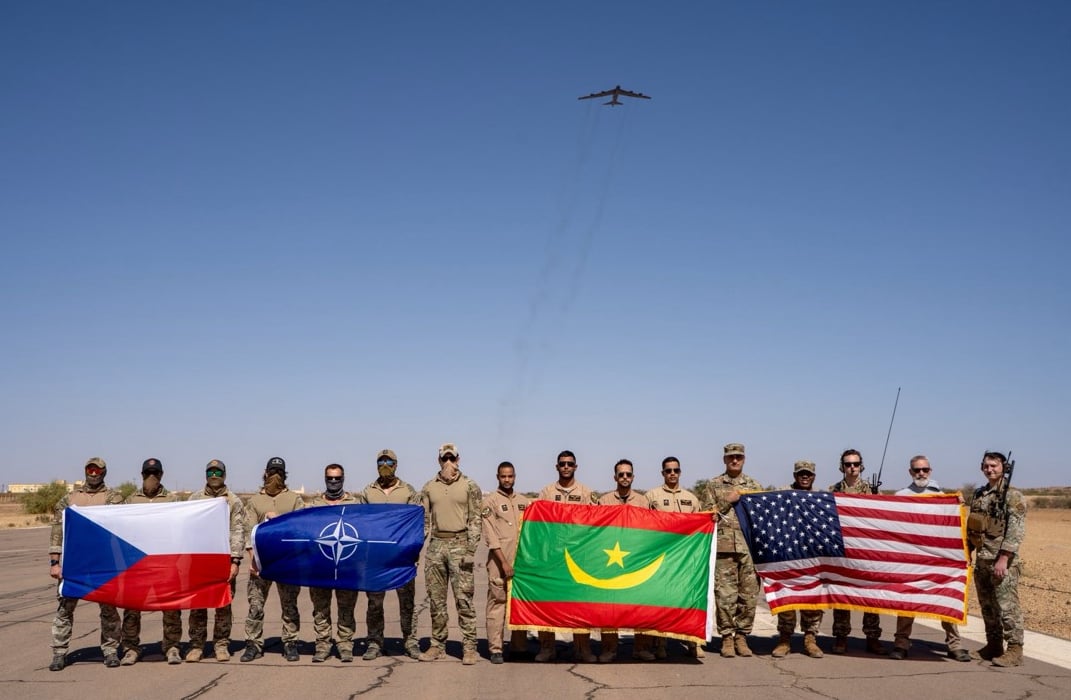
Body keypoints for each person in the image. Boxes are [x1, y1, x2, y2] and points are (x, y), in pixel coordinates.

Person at [890, 455, 971, 662]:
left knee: (944, 598)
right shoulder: (901, 496)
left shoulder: (943, 497)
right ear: (910, 472)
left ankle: (954, 644)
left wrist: (956, 506)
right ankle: (901, 643)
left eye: (925, 470)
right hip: (911, 559)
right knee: (907, 601)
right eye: (917, 470)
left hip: (937, 560)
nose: (921, 473)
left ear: (930, 471)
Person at [48, 457, 124, 671]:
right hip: (74, 565)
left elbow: (122, 531)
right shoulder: (70, 498)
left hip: (103, 564)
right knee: (64, 609)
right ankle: (59, 653)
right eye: (90, 470)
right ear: (85, 472)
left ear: (104, 472)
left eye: (97, 470)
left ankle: (110, 651)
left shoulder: (114, 498)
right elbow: (57, 531)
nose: (93, 474)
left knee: (108, 609)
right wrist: (55, 562)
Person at [418, 443, 483, 665]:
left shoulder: (470, 485)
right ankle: (437, 644)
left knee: (464, 599)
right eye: (444, 459)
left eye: (451, 459)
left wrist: (471, 549)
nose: (448, 463)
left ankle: (469, 647)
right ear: (438, 461)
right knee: (436, 600)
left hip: (460, 543)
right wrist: (416, 548)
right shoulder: (428, 487)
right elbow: (424, 522)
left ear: (458, 459)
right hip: (436, 545)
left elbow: (475, 519)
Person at [356, 449, 422, 660]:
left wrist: (414, 549)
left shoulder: (408, 491)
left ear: (396, 464)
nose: (385, 465)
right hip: (375, 559)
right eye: (381, 461)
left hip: (401, 557)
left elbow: (419, 522)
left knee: (407, 602)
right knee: (374, 602)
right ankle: (374, 642)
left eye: (389, 461)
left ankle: (410, 641)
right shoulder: (368, 491)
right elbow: (359, 523)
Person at [534, 450, 599, 663]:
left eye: (570, 463)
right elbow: (537, 524)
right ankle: (547, 648)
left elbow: (597, 524)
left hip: (578, 556)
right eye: (562, 463)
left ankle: (583, 649)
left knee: (580, 603)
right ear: (556, 467)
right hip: (553, 557)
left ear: (575, 467)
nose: (566, 467)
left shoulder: (587, 493)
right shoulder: (546, 492)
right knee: (548, 602)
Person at [241, 457, 305, 662]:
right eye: (272, 471)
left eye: (279, 471)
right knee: (256, 605)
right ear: (265, 473)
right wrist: (252, 559)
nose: (275, 475)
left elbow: (301, 527)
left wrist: (280, 520)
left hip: (286, 561)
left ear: (284, 475)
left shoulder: (294, 499)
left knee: (289, 604)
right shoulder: (254, 501)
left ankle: (290, 643)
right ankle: (253, 644)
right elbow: (247, 531)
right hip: (261, 561)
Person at [703, 443, 762, 658]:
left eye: (738, 457)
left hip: (749, 548)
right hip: (724, 548)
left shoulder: (754, 486)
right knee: (725, 597)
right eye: (730, 457)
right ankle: (727, 637)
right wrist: (727, 500)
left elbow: (762, 520)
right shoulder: (714, 485)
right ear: (724, 460)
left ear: (744, 459)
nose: (734, 460)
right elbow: (708, 515)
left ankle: (742, 637)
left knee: (749, 595)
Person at [121, 458, 182, 665]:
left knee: (171, 607)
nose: (151, 477)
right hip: (137, 564)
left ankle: (172, 646)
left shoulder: (172, 501)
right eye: (148, 473)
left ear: (162, 475)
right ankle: (130, 648)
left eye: (155, 473)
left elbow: (180, 529)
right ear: (142, 475)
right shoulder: (130, 501)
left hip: (164, 563)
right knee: (131, 607)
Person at [969, 451, 1027, 667]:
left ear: (1004, 468)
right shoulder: (979, 494)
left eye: (994, 465)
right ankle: (993, 645)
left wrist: (1003, 558)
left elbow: (1016, 531)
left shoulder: (1013, 496)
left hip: (1002, 561)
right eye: (986, 465)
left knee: (1007, 606)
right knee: (988, 606)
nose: (990, 469)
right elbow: (973, 525)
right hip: (982, 560)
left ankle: (1014, 650)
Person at [828, 448, 886, 655]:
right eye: (847, 464)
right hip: (842, 550)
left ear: (861, 466)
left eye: (855, 464)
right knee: (843, 594)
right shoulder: (832, 490)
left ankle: (872, 637)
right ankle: (841, 637)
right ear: (841, 467)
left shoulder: (872, 491)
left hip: (867, 551)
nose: (852, 468)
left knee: (871, 595)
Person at [186, 459, 244, 662]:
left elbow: (238, 530)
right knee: (198, 605)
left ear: (224, 475)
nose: (214, 476)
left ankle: (221, 644)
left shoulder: (234, 501)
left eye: (218, 473)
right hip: (199, 560)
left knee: (223, 605)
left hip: (223, 559)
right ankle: (196, 645)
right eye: (210, 472)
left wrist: (235, 560)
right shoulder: (195, 498)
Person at [646, 456, 703, 659]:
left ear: (680, 472)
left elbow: (701, 526)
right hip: (662, 557)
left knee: (690, 599)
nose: (672, 473)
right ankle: (659, 643)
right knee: (662, 600)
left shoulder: (692, 498)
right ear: (662, 473)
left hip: (686, 559)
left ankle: (693, 642)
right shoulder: (651, 496)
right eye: (668, 470)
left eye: (676, 470)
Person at [771, 461, 824, 659]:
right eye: (801, 474)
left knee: (812, 599)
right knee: (788, 598)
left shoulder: (821, 497)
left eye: (808, 474)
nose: (805, 477)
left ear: (813, 476)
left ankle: (810, 639)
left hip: (812, 556)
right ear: (795, 475)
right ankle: (784, 639)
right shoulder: (782, 494)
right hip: (788, 555)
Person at [596, 459, 648, 662]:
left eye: (628, 474)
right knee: (610, 606)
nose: (624, 477)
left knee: (639, 604)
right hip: (609, 561)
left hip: (636, 560)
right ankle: (609, 649)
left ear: (633, 477)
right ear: (615, 477)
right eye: (621, 474)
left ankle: (640, 647)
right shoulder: (604, 501)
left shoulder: (643, 502)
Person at [308, 463, 360, 662]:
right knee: (320, 608)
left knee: (346, 607)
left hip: (347, 565)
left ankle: (345, 644)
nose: (333, 482)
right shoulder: (313, 506)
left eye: (337, 478)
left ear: (343, 479)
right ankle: (322, 644)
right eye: (330, 478)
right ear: (325, 479)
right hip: (320, 566)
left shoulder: (355, 504)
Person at [481, 461, 530, 664]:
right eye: (503, 476)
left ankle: (519, 648)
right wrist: (504, 563)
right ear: (498, 477)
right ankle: (496, 648)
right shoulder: (490, 502)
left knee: (519, 604)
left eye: (510, 476)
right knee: (498, 603)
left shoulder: (524, 501)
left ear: (515, 476)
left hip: (521, 562)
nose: (507, 480)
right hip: (499, 561)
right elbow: (491, 536)